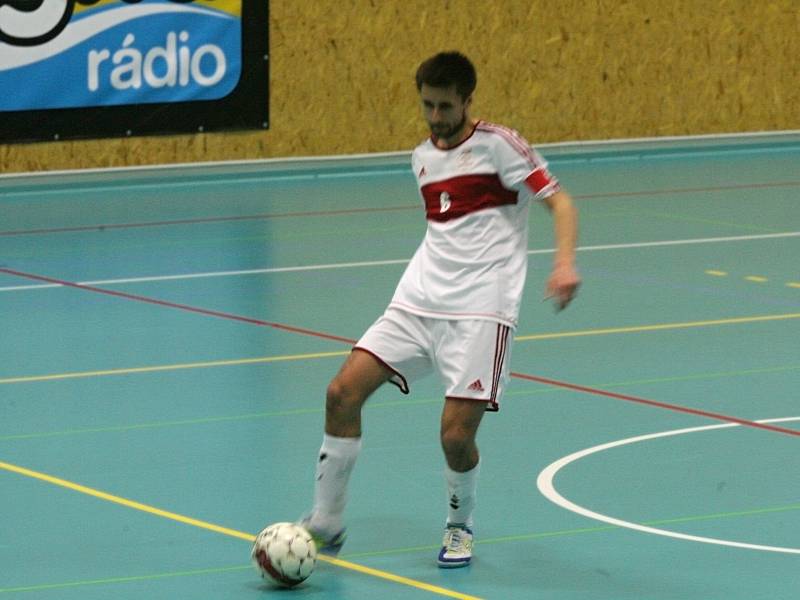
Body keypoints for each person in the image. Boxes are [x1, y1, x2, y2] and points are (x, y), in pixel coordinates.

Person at [300, 51, 580, 568]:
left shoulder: (501, 146)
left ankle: (459, 526)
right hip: (417, 301)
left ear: (468, 101)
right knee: (341, 393)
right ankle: (326, 523)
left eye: (445, 106)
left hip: (481, 311)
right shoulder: (421, 158)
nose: (435, 118)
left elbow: (560, 202)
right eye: (427, 105)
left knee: (455, 435)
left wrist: (563, 264)